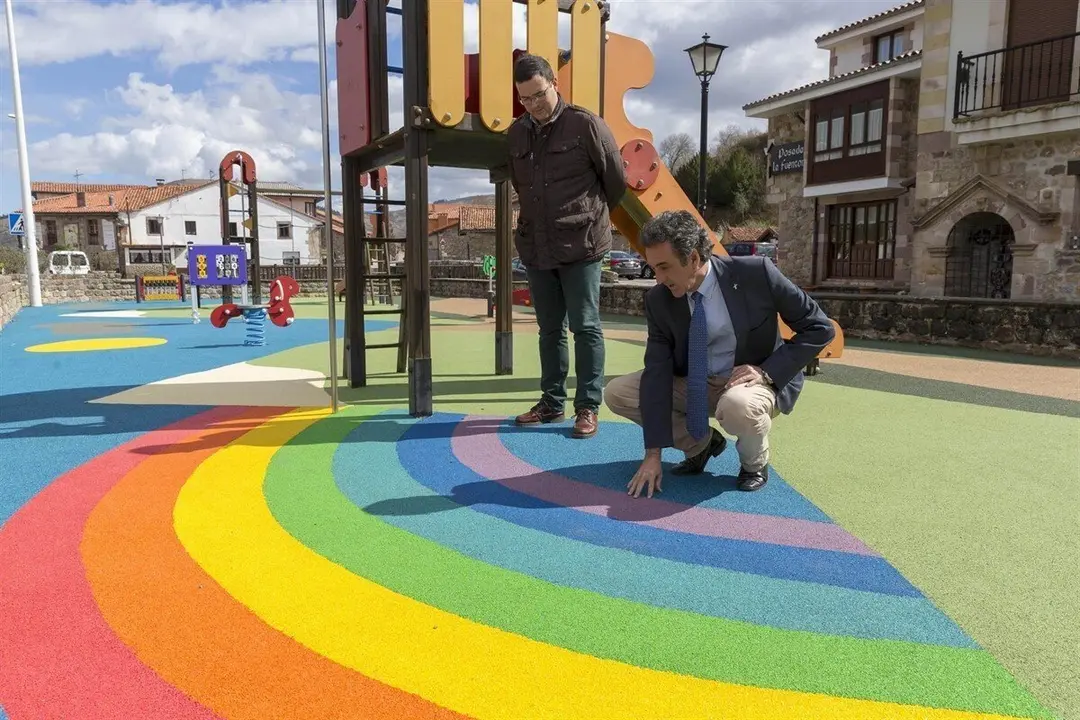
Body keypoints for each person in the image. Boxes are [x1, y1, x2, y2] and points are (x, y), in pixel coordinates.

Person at [603, 210, 835, 498]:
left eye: (664, 267)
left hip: (749, 383)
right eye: (653, 268)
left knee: (739, 405)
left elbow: (819, 328)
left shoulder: (756, 274)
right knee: (618, 392)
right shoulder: (658, 300)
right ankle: (701, 444)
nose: (658, 279)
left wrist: (767, 372)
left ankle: (753, 464)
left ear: (694, 258)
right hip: (695, 384)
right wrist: (653, 454)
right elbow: (657, 370)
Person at [505, 52, 627, 439]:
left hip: (582, 245)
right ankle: (551, 403)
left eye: (538, 94)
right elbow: (521, 185)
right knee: (548, 329)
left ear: (555, 84)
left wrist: (586, 217)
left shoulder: (585, 125)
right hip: (537, 247)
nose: (533, 105)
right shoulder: (516, 133)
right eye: (524, 98)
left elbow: (615, 183)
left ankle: (587, 406)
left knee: (585, 326)